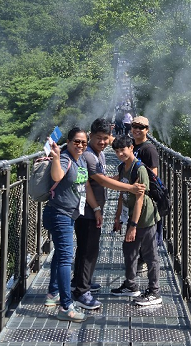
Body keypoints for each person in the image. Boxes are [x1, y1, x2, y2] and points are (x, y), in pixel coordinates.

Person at [71, 119, 145, 310]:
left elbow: (106, 178)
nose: (103, 142)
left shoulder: (99, 153)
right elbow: (101, 181)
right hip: (87, 210)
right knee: (89, 250)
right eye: (98, 138)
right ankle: (81, 291)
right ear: (90, 136)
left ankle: (80, 281)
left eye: (105, 139)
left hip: (92, 209)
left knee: (87, 248)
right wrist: (131, 187)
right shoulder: (88, 155)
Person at [42, 127, 92, 322]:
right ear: (69, 142)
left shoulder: (80, 158)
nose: (80, 145)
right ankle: (65, 306)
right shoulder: (64, 157)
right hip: (60, 214)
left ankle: (52, 293)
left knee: (60, 253)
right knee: (65, 258)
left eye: (84, 142)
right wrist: (55, 157)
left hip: (69, 213)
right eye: (77, 142)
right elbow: (57, 176)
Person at [110, 135, 162, 306]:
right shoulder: (122, 167)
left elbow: (140, 199)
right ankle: (130, 285)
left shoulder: (139, 169)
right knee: (129, 250)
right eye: (116, 151)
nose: (119, 154)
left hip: (145, 218)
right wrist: (118, 217)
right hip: (130, 215)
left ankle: (155, 292)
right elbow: (121, 193)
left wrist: (132, 226)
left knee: (149, 254)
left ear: (131, 148)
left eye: (122, 150)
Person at [129, 115, 163, 246]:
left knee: (144, 233)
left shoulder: (149, 149)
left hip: (144, 195)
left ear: (147, 130)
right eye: (134, 127)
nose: (137, 130)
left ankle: (143, 262)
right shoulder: (133, 145)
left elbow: (153, 176)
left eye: (141, 127)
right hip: (134, 193)